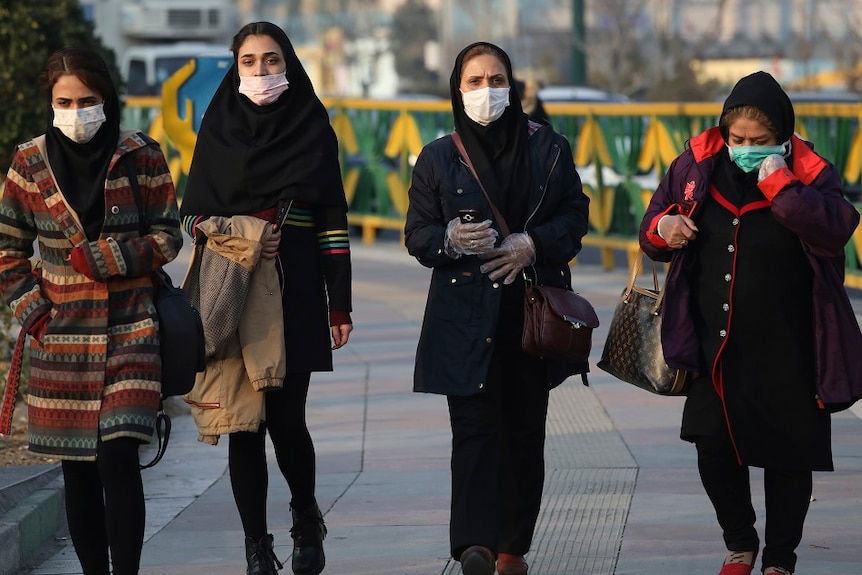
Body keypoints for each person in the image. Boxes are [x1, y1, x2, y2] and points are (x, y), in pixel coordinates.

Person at [639, 71, 862, 575]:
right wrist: (663, 228)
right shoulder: (695, 165)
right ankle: (741, 542)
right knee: (711, 446)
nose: (745, 149)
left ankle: (780, 559)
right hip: (714, 340)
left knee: (788, 456)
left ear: (782, 137)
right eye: (737, 139)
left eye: (759, 142)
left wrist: (780, 183)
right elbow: (651, 229)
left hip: (792, 343)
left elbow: (834, 231)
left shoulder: (811, 173)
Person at [404, 42, 590, 575]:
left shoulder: (549, 148)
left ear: (514, 84)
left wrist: (534, 243)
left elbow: (576, 216)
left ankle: (513, 547)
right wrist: (450, 239)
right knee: (474, 432)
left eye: (496, 78)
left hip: (531, 319)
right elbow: (416, 236)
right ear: (457, 90)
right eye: (474, 80)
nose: (487, 90)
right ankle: (474, 546)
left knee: (524, 434)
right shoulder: (438, 156)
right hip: (464, 320)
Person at [0, 47, 183, 575]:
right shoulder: (28, 163)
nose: (76, 112)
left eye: (87, 100)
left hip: (132, 328)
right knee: (77, 468)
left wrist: (111, 256)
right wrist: (34, 314)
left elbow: (168, 236)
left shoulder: (140, 153)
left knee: (119, 456)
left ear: (106, 98)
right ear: (50, 103)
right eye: (64, 101)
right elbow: (7, 250)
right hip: (60, 336)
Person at [179, 21, 353, 575]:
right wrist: (241, 231)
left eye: (272, 61)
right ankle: (257, 546)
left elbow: (331, 220)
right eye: (250, 62)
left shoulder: (311, 123)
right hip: (232, 287)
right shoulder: (219, 125)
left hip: (297, 285)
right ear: (236, 67)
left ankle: (306, 518)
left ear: (289, 64)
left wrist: (339, 302)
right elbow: (191, 214)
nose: (261, 72)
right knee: (242, 424)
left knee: (286, 419)